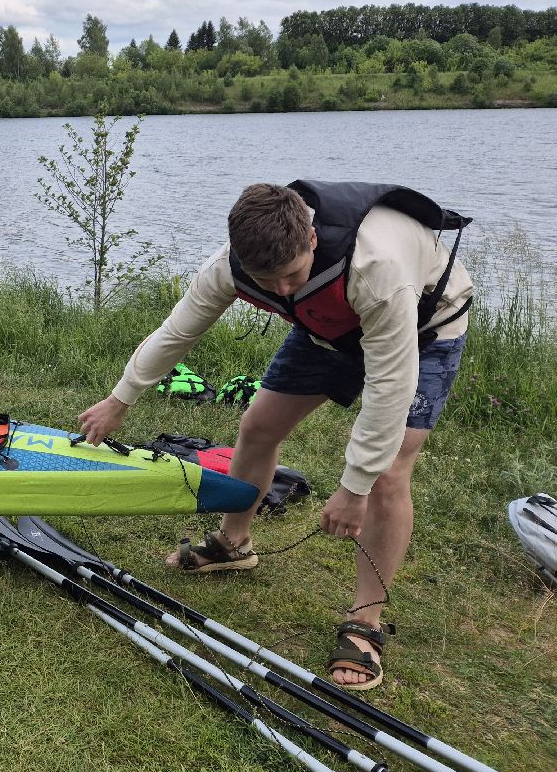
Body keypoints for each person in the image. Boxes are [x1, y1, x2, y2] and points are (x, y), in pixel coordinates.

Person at [78, 180, 472, 690]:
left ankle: (365, 622)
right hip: (325, 324)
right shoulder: (232, 266)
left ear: (310, 239)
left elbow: (390, 387)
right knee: (258, 425)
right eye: (268, 281)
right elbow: (180, 331)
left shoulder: (378, 270)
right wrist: (119, 399)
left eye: (289, 275)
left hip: (423, 326)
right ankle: (232, 544)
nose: (281, 290)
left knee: (389, 472)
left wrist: (353, 487)